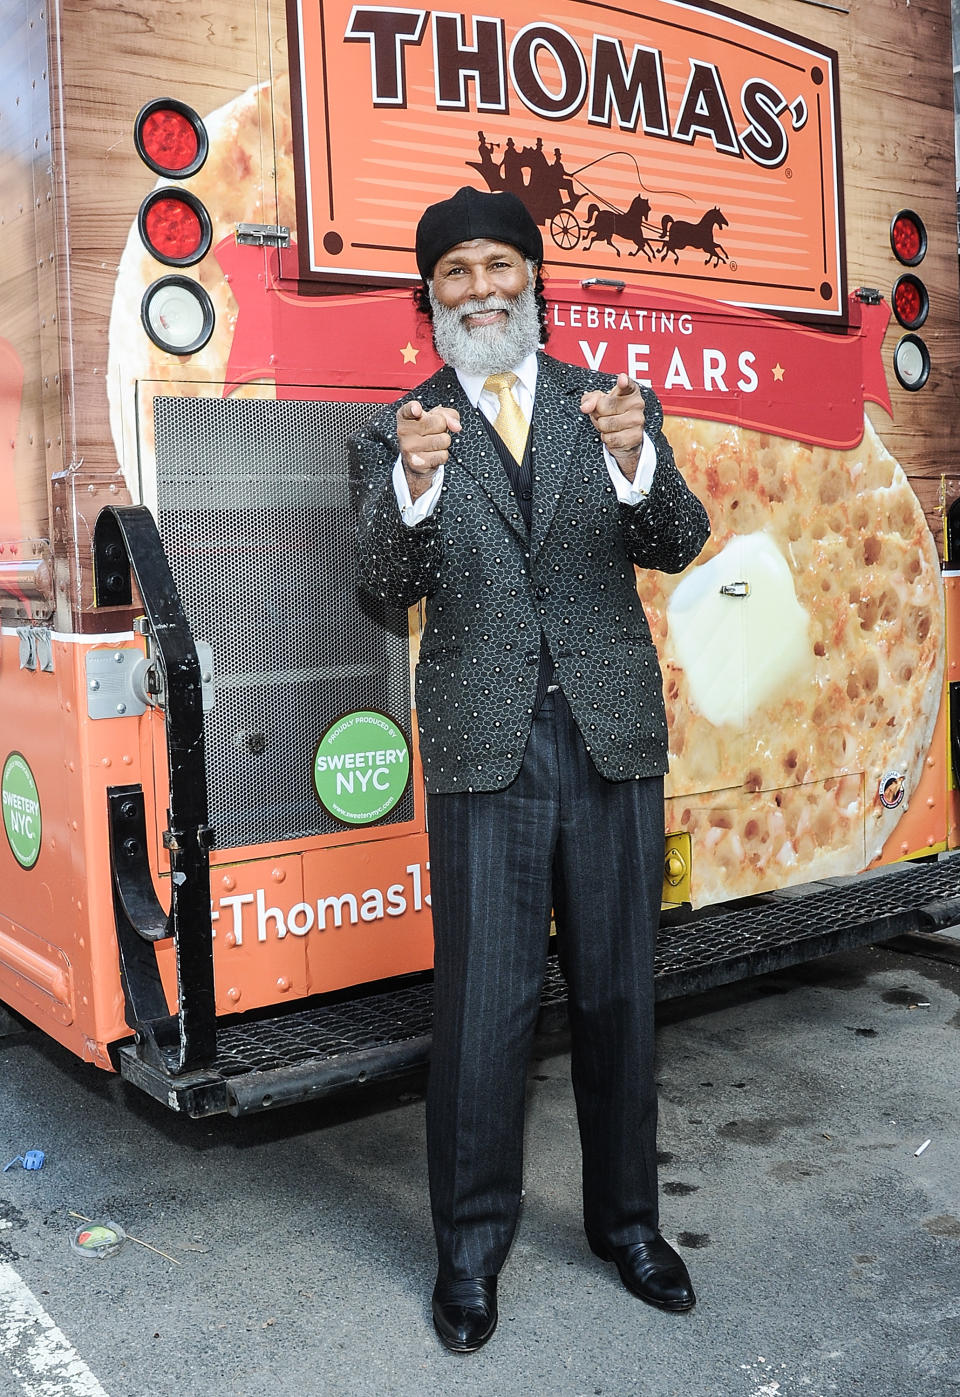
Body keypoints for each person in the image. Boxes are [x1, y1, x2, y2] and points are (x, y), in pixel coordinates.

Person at [351, 186, 710, 1354]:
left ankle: (631, 1225)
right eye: (454, 272)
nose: (480, 289)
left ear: (534, 279)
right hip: (480, 751)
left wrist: (636, 459)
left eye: (498, 264)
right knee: (483, 1012)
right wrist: (411, 489)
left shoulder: (606, 403)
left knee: (618, 994)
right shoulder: (397, 428)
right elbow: (376, 589)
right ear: (428, 299)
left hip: (608, 736)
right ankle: (469, 1251)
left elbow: (678, 540)